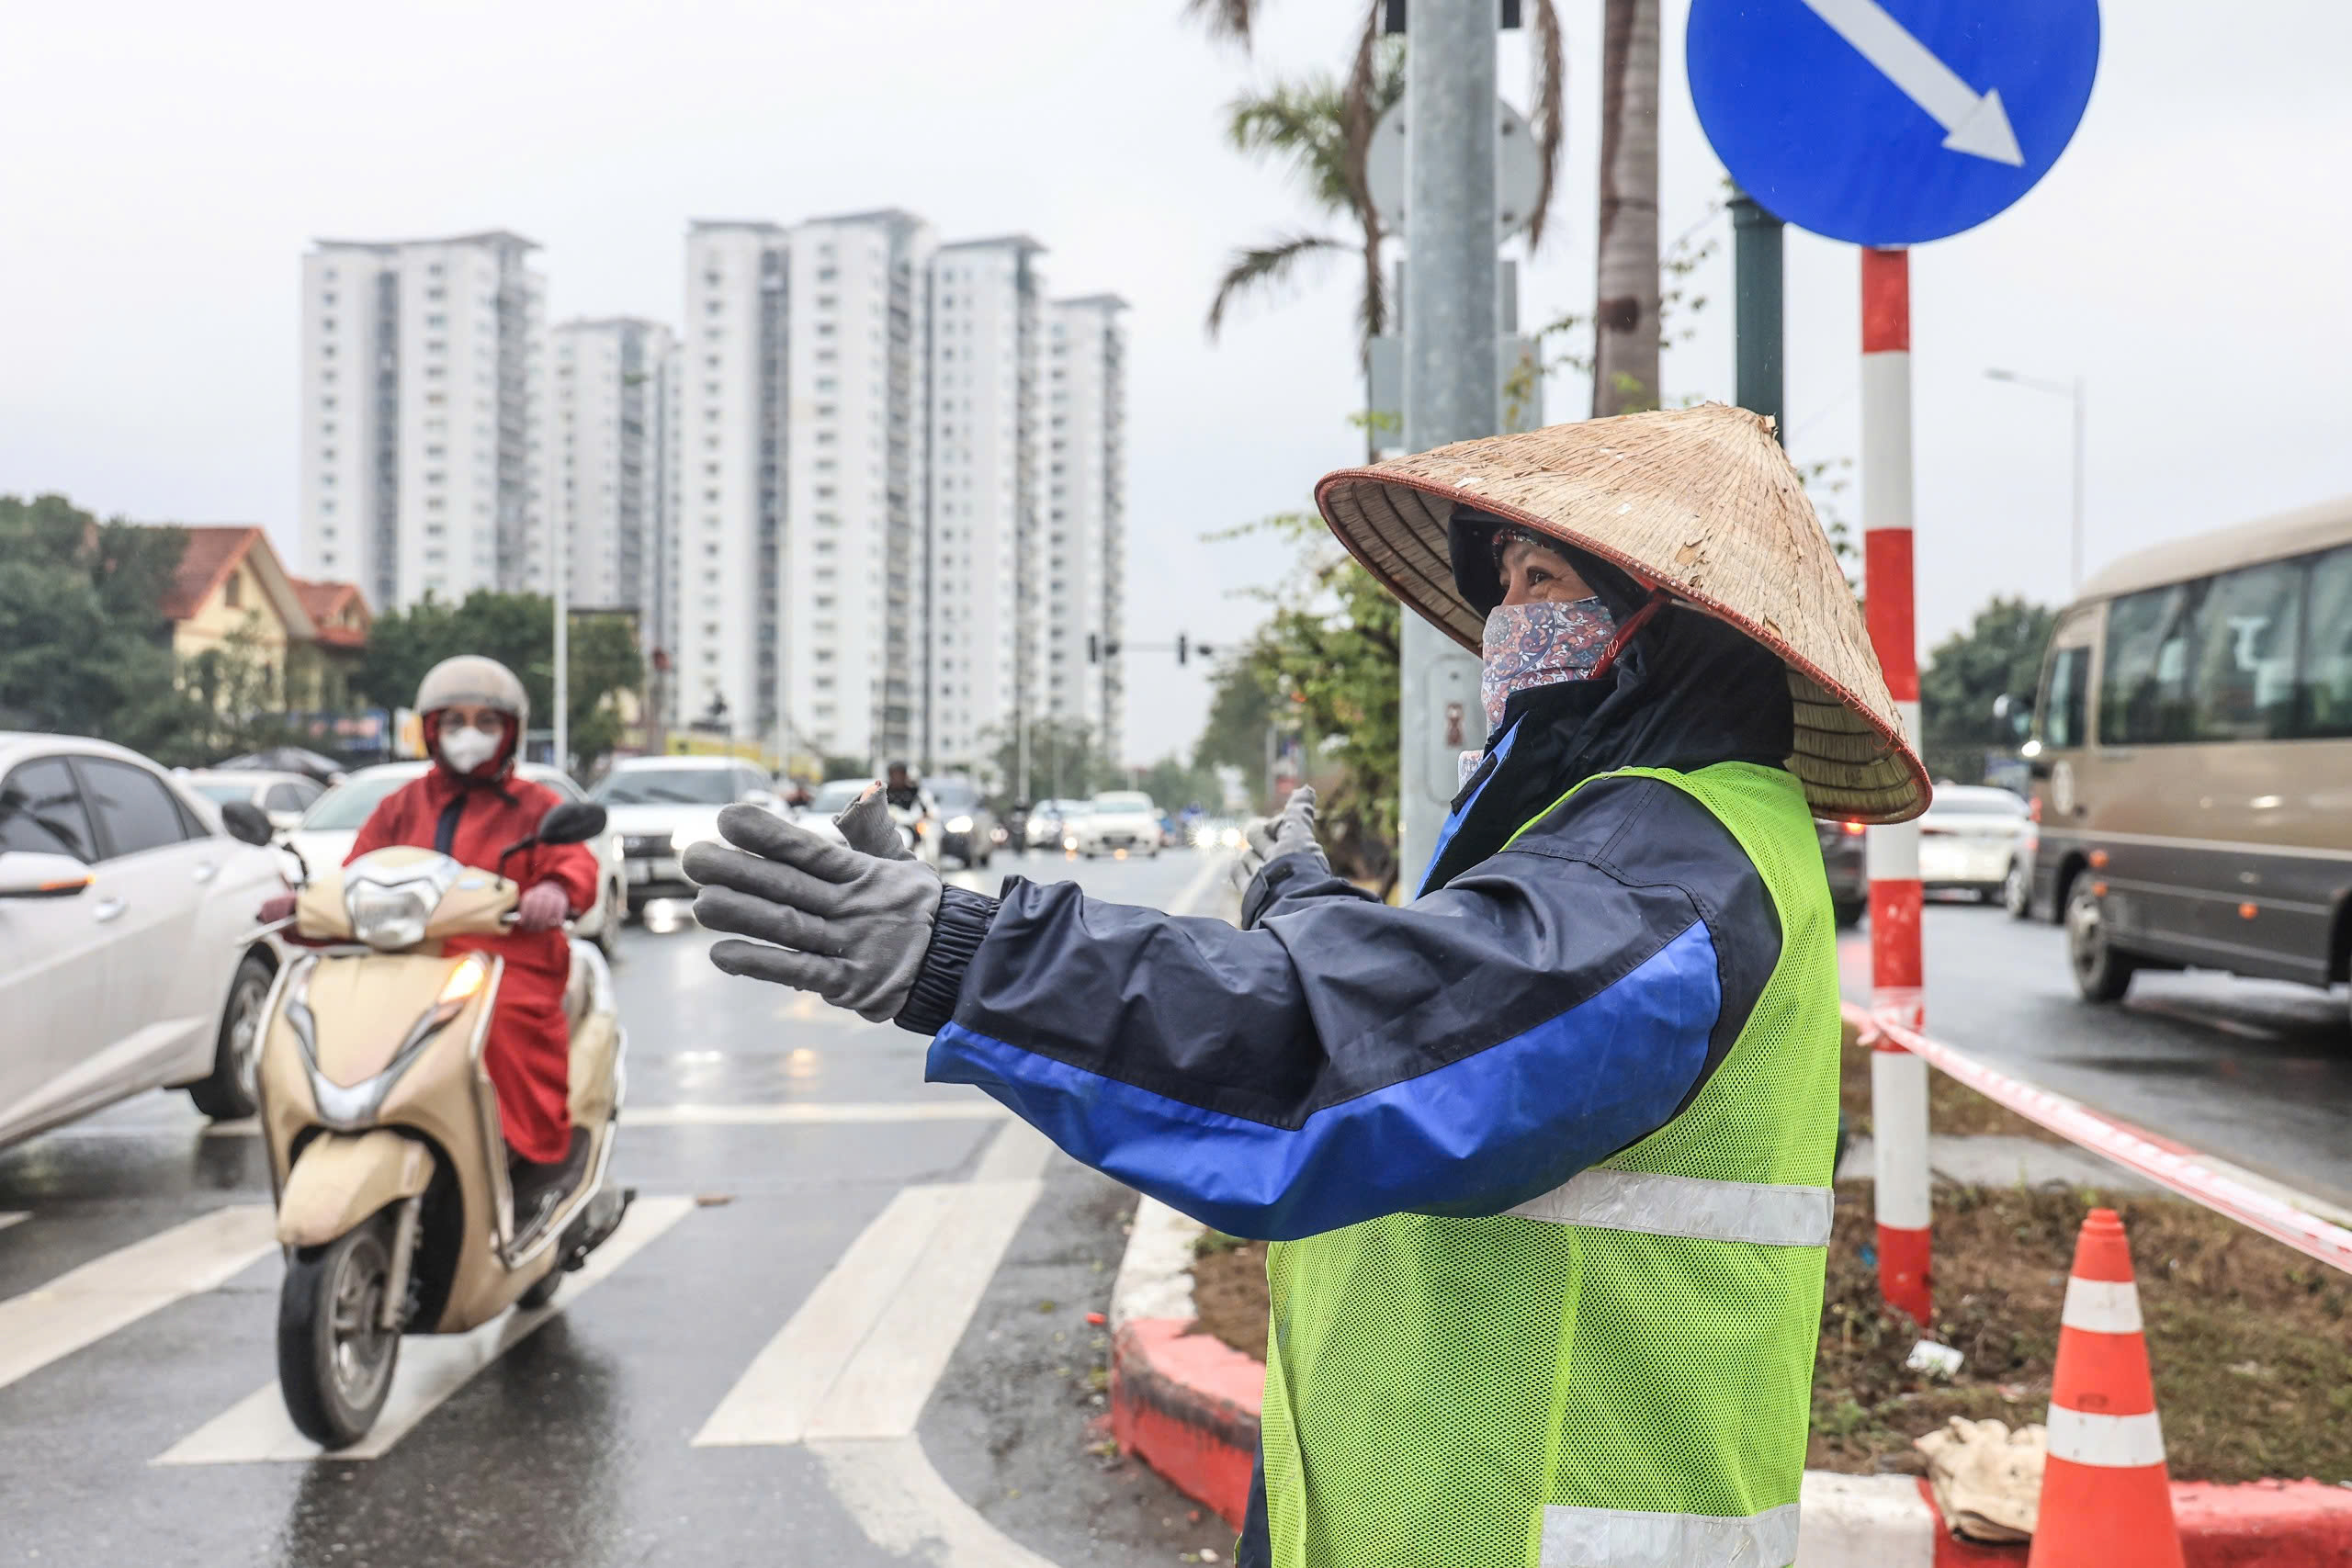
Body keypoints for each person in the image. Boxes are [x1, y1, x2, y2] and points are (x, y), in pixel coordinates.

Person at [683, 406, 1928, 1568]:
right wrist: (1311, 913)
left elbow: (1355, 1063)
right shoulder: (1629, 836)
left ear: (1668, 625)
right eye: (1501, 583)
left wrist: (970, 957)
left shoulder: (1676, 867)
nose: (1506, 615)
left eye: (1542, 582)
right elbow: (1450, 997)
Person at [264, 656, 598, 1213]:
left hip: (506, 961)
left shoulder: (538, 807)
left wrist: (556, 891)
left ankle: (531, 1157)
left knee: (503, 1023)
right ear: (431, 730)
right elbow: (356, 876)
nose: (470, 735)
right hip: (403, 962)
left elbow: (574, 864)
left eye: (486, 722)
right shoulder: (401, 806)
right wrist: (304, 908)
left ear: (510, 731)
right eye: (455, 721)